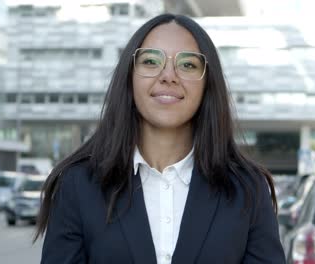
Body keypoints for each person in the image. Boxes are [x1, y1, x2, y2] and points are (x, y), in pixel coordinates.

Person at [35, 13, 285, 264]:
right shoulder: (79, 185)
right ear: (129, 76)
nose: (168, 75)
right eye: (151, 61)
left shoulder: (248, 190)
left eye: (188, 65)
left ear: (207, 83)